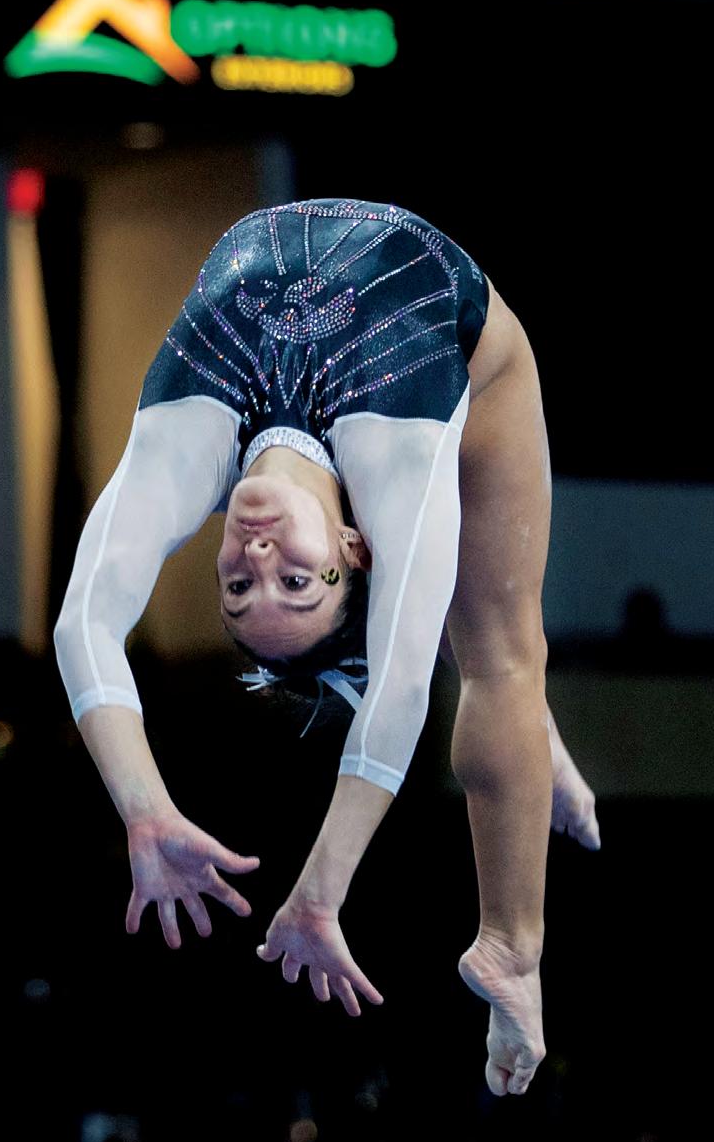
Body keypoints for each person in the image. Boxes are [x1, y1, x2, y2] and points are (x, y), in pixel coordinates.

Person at [55, 198, 598, 1095]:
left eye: (238, 587)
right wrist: (321, 888)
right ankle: (513, 946)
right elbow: (399, 693)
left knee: (457, 631)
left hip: (354, 376)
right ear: (354, 548)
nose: (260, 561)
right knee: (501, 657)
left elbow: (83, 624)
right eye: (299, 582)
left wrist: (143, 809)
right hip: (468, 343)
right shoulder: (395, 456)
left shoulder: (189, 442)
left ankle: (532, 744)